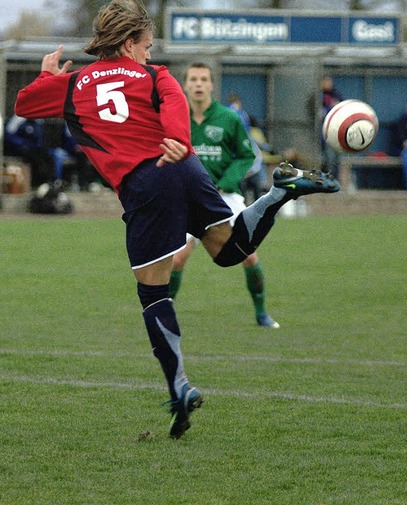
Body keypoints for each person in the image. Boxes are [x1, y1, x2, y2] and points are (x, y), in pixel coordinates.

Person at [14, 0, 339, 439]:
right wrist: (178, 142)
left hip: (145, 182)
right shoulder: (156, 75)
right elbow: (175, 109)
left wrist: (48, 76)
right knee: (230, 252)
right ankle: (279, 191)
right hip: (183, 166)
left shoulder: (73, 84)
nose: (150, 54)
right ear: (129, 44)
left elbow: (26, 104)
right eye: (147, 45)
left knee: (153, 293)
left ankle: (180, 385)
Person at [169, 63, 279, 329]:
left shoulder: (229, 119)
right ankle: (165, 314)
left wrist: (225, 182)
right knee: (176, 259)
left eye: (203, 79)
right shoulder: (176, 117)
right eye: (193, 79)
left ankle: (261, 312)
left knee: (248, 255)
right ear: (185, 84)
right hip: (187, 201)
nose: (198, 84)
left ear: (211, 85)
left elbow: (246, 156)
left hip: (224, 197)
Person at [4, 113, 55, 188]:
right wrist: (21, 143)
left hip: (33, 148)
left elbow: (39, 139)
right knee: (34, 157)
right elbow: (8, 135)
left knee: (49, 156)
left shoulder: (38, 121)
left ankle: (51, 182)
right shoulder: (18, 118)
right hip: (18, 148)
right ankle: (40, 182)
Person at [309, 76, 344, 179]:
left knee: (336, 156)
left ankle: (335, 179)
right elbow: (313, 111)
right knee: (326, 156)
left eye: (329, 81)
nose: (328, 84)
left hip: (336, 130)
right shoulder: (317, 96)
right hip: (322, 131)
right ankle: (325, 178)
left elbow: (342, 108)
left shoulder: (336, 95)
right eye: (325, 81)